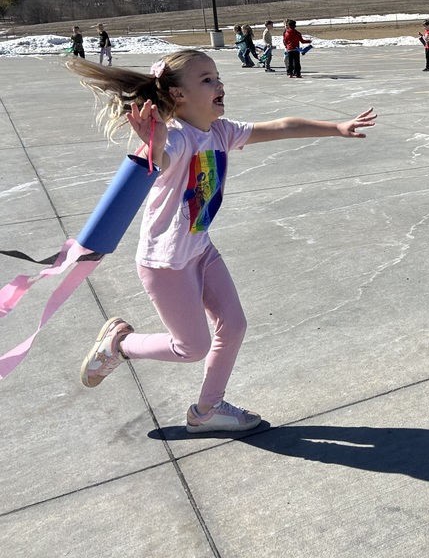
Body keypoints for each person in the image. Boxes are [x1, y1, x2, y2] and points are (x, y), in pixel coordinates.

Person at [68, 50, 376, 432]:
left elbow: (280, 126)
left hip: (200, 250)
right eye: (207, 80)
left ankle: (207, 410)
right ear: (178, 95)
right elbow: (156, 161)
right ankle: (120, 344)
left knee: (234, 326)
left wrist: (336, 127)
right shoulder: (178, 140)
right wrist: (153, 143)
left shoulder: (221, 131)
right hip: (166, 263)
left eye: (217, 77)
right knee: (191, 348)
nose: (219, 85)